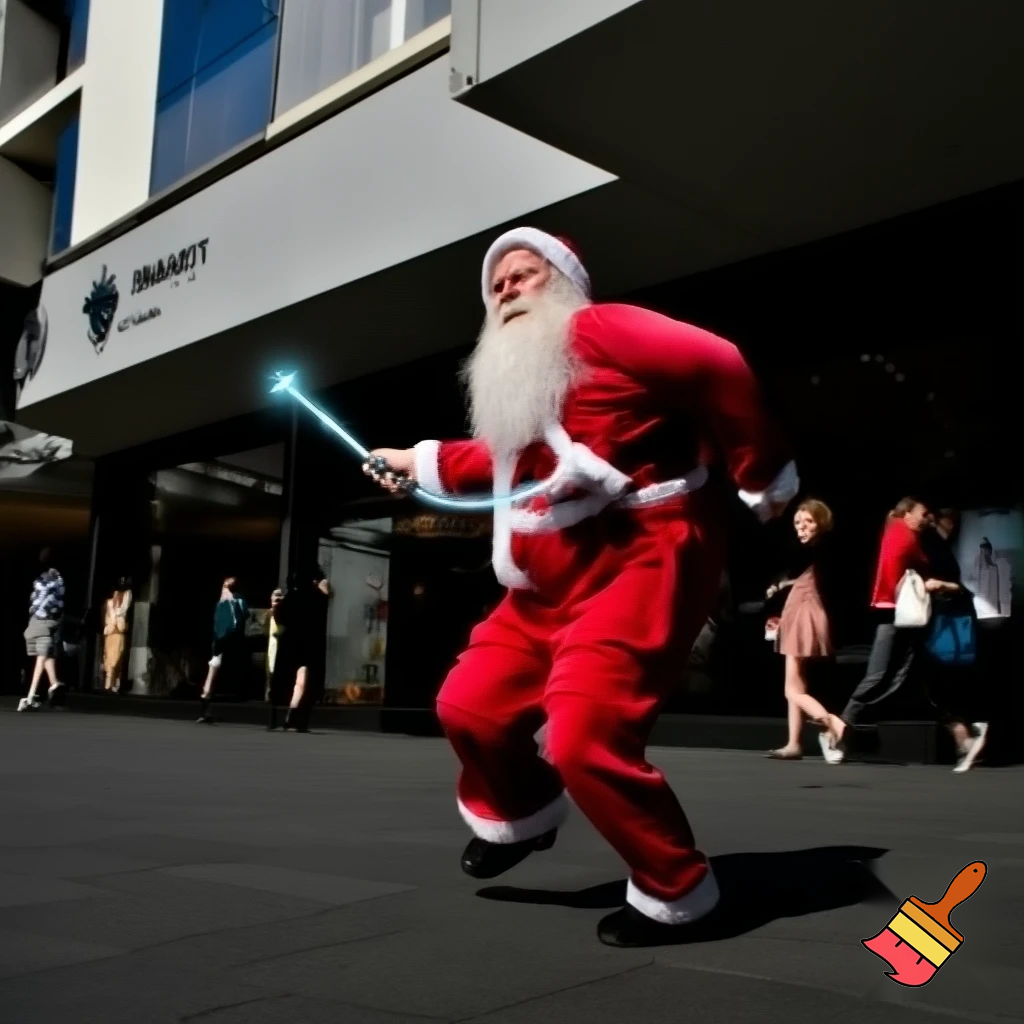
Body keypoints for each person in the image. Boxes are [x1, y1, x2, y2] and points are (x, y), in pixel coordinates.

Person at [364, 227, 798, 947]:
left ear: (563, 282)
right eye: (496, 285)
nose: (506, 288)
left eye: (523, 273)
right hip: (548, 581)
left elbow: (716, 360)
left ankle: (676, 887)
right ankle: (521, 811)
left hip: (640, 561)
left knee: (583, 735)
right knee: (468, 706)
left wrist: (760, 470)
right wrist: (416, 461)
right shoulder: (522, 373)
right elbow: (509, 458)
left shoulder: (602, 328)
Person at [827, 498, 960, 763]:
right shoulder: (904, 535)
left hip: (903, 615)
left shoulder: (897, 530)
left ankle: (960, 731)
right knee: (884, 675)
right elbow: (920, 567)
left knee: (908, 676)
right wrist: (941, 583)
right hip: (896, 614)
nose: (927, 519)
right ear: (907, 513)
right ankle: (839, 725)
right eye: (923, 513)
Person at [764, 499, 845, 759]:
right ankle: (794, 743)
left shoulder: (817, 549)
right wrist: (782, 586)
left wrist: (782, 585)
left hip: (803, 614)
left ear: (821, 523)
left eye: (808, 521)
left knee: (792, 689)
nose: (802, 527)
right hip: (800, 611)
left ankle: (832, 722)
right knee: (796, 683)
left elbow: (813, 578)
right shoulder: (813, 553)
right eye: (798, 522)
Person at [924, 510, 988, 772]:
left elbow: (970, 583)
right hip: (939, 617)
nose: (944, 523)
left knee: (953, 677)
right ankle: (965, 738)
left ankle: (966, 737)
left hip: (958, 616)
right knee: (939, 682)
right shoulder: (931, 543)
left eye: (949, 517)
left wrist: (946, 587)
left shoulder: (963, 545)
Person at [270, 569, 331, 732]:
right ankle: (295, 717)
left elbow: (281, 618)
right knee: (302, 680)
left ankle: (283, 716)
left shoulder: (292, 597)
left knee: (289, 678)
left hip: (291, 641)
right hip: (308, 642)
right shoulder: (317, 597)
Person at [19, 548, 67, 712]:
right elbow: (58, 602)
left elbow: (35, 600)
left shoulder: (39, 579)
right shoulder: (57, 579)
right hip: (47, 621)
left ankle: (51, 685)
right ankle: (34, 694)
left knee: (45, 654)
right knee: (43, 655)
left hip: (36, 620)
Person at [197, 577, 249, 724]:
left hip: (219, 641)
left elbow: (217, 623)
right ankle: (207, 702)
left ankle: (206, 704)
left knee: (213, 671)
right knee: (216, 672)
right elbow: (245, 615)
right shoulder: (238, 600)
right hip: (231, 641)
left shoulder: (221, 601)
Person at [101, 577, 133, 694]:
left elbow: (123, 609)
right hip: (110, 631)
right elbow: (107, 613)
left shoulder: (127, 594)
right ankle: (109, 684)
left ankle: (115, 683)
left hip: (119, 630)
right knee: (108, 658)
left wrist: (116, 613)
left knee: (117, 658)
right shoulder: (110, 599)